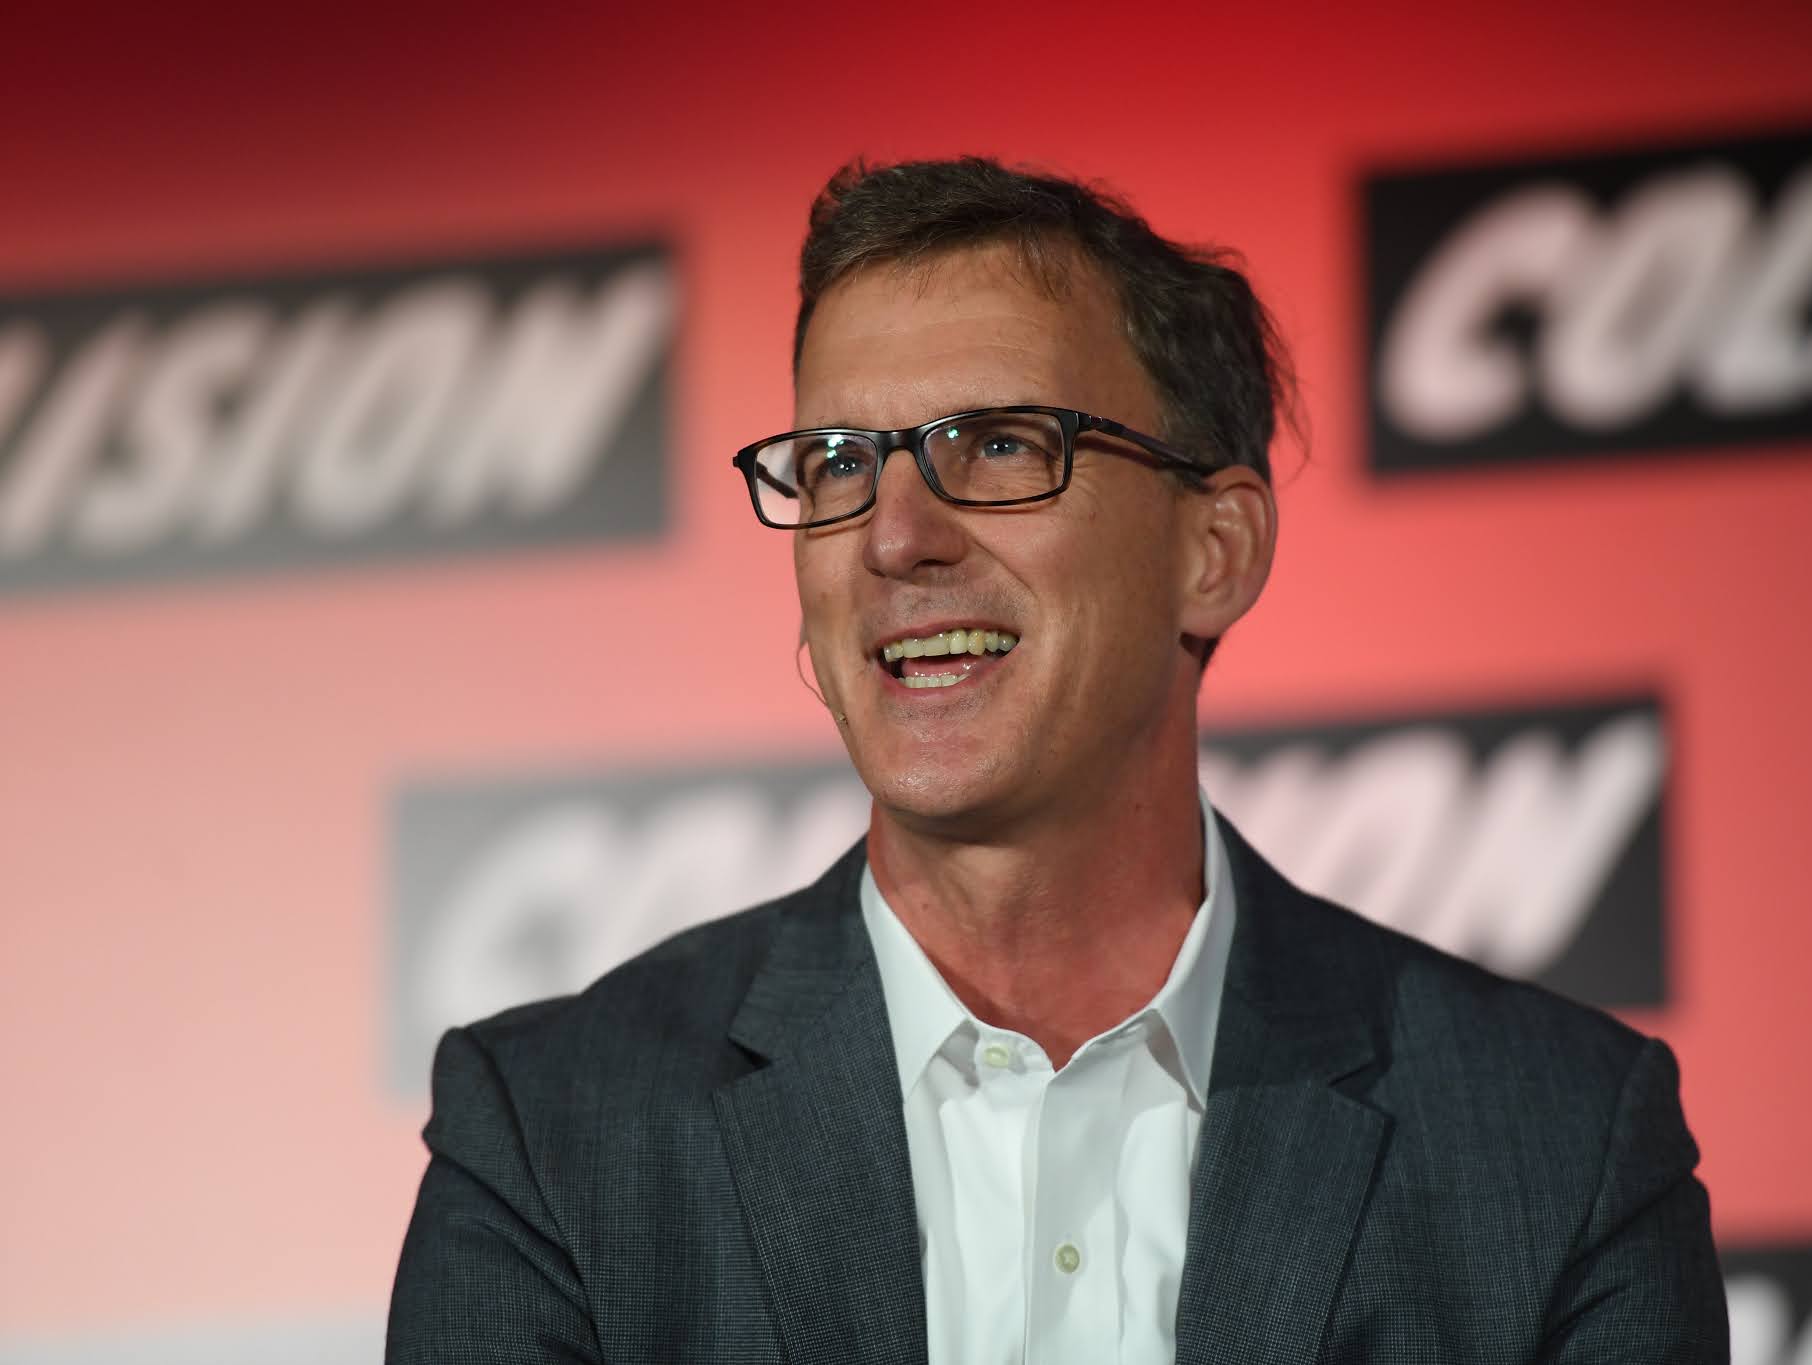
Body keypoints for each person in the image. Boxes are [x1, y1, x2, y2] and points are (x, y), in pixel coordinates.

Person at [388, 157, 1727, 1364]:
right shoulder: (553, 1138)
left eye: (999, 446)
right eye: (839, 462)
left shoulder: (1557, 1145)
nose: (894, 537)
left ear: (1215, 552)